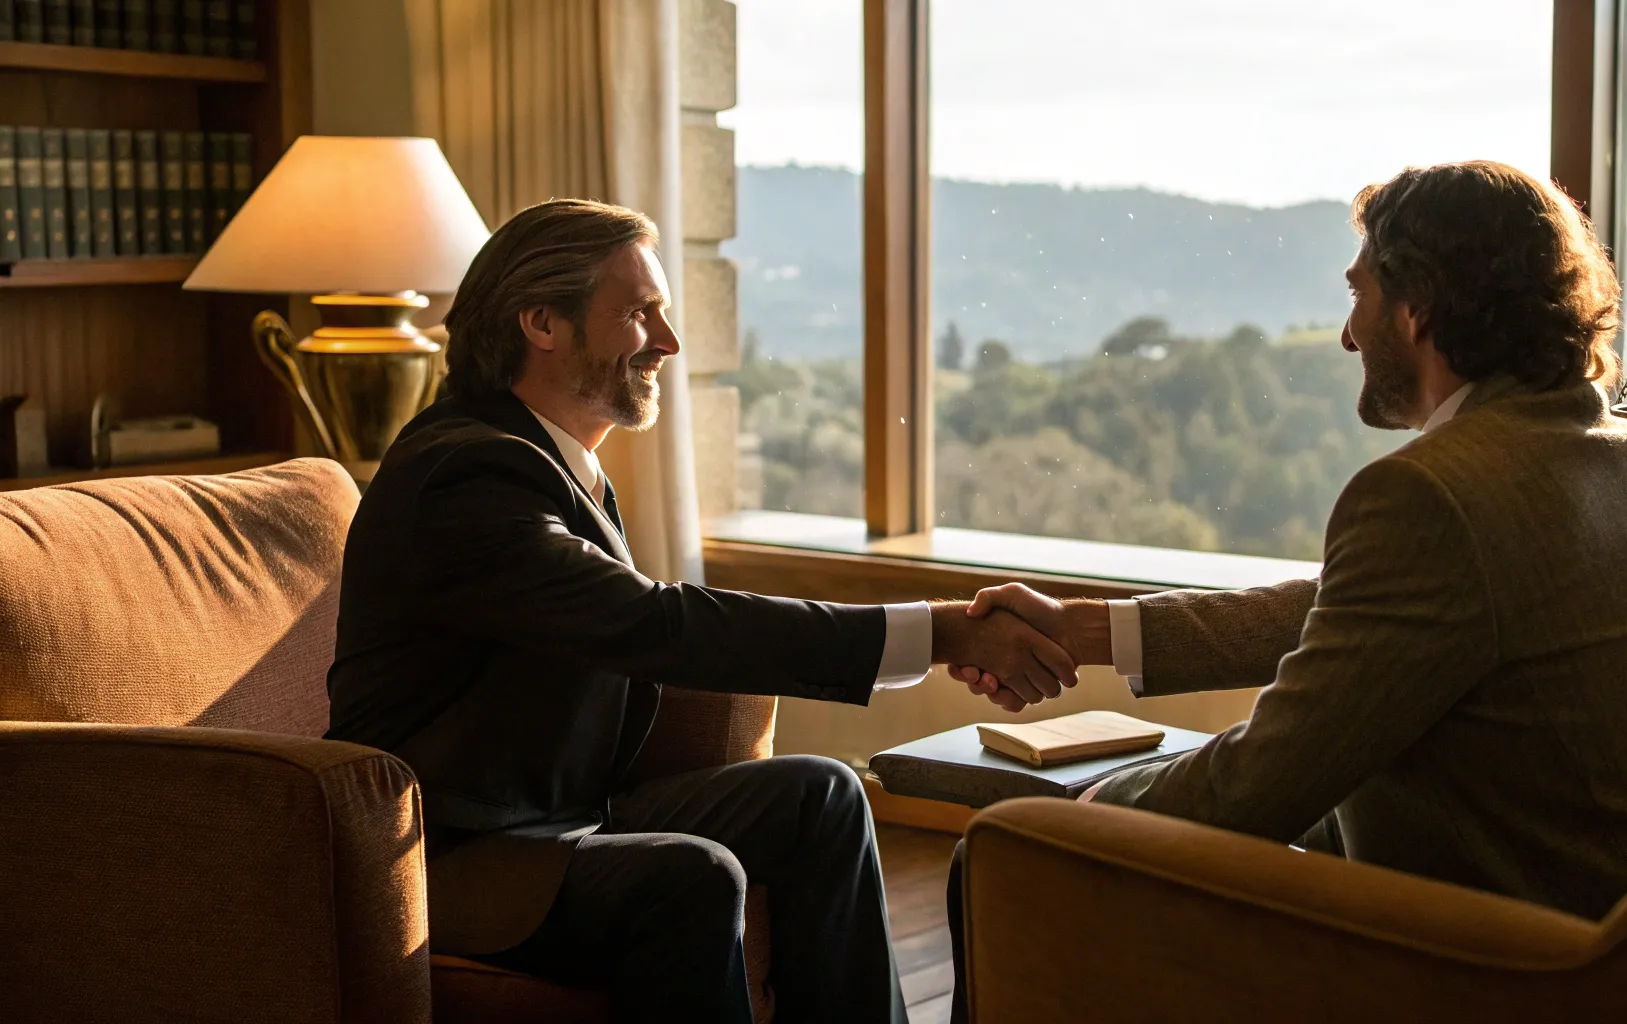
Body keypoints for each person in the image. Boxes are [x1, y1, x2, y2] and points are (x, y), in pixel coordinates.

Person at [945, 160, 1627, 1017]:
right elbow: (1362, 609)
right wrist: (1087, 632)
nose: (1345, 335)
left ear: (1418, 309)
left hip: (1545, 972)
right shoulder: (1615, 452)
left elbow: (1261, 785)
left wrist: (1086, 813)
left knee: (1007, 857)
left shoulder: (1433, 496)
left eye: (1357, 295)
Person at [325, 199, 1075, 1024]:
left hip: (562, 815)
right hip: (456, 850)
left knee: (819, 795)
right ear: (541, 321)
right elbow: (653, 625)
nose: (668, 343)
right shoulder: (466, 478)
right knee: (693, 875)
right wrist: (942, 632)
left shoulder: (547, 460)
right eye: (640, 313)